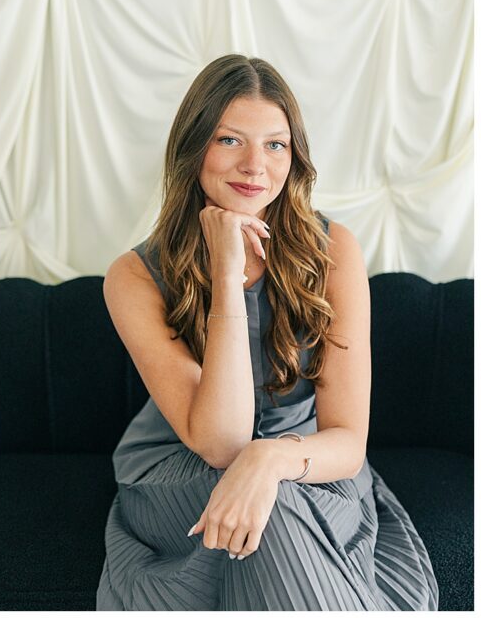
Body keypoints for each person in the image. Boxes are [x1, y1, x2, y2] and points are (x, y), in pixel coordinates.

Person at [95, 55, 437, 610]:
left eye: (276, 144)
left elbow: (348, 441)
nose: (255, 165)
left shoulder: (334, 250)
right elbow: (221, 443)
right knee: (270, 510)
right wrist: (226, 274)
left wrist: (269, 460)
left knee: (273, 502)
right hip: (183, 465)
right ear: (193, 147)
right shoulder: (133, 276)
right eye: (230, 140)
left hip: (309, 458)